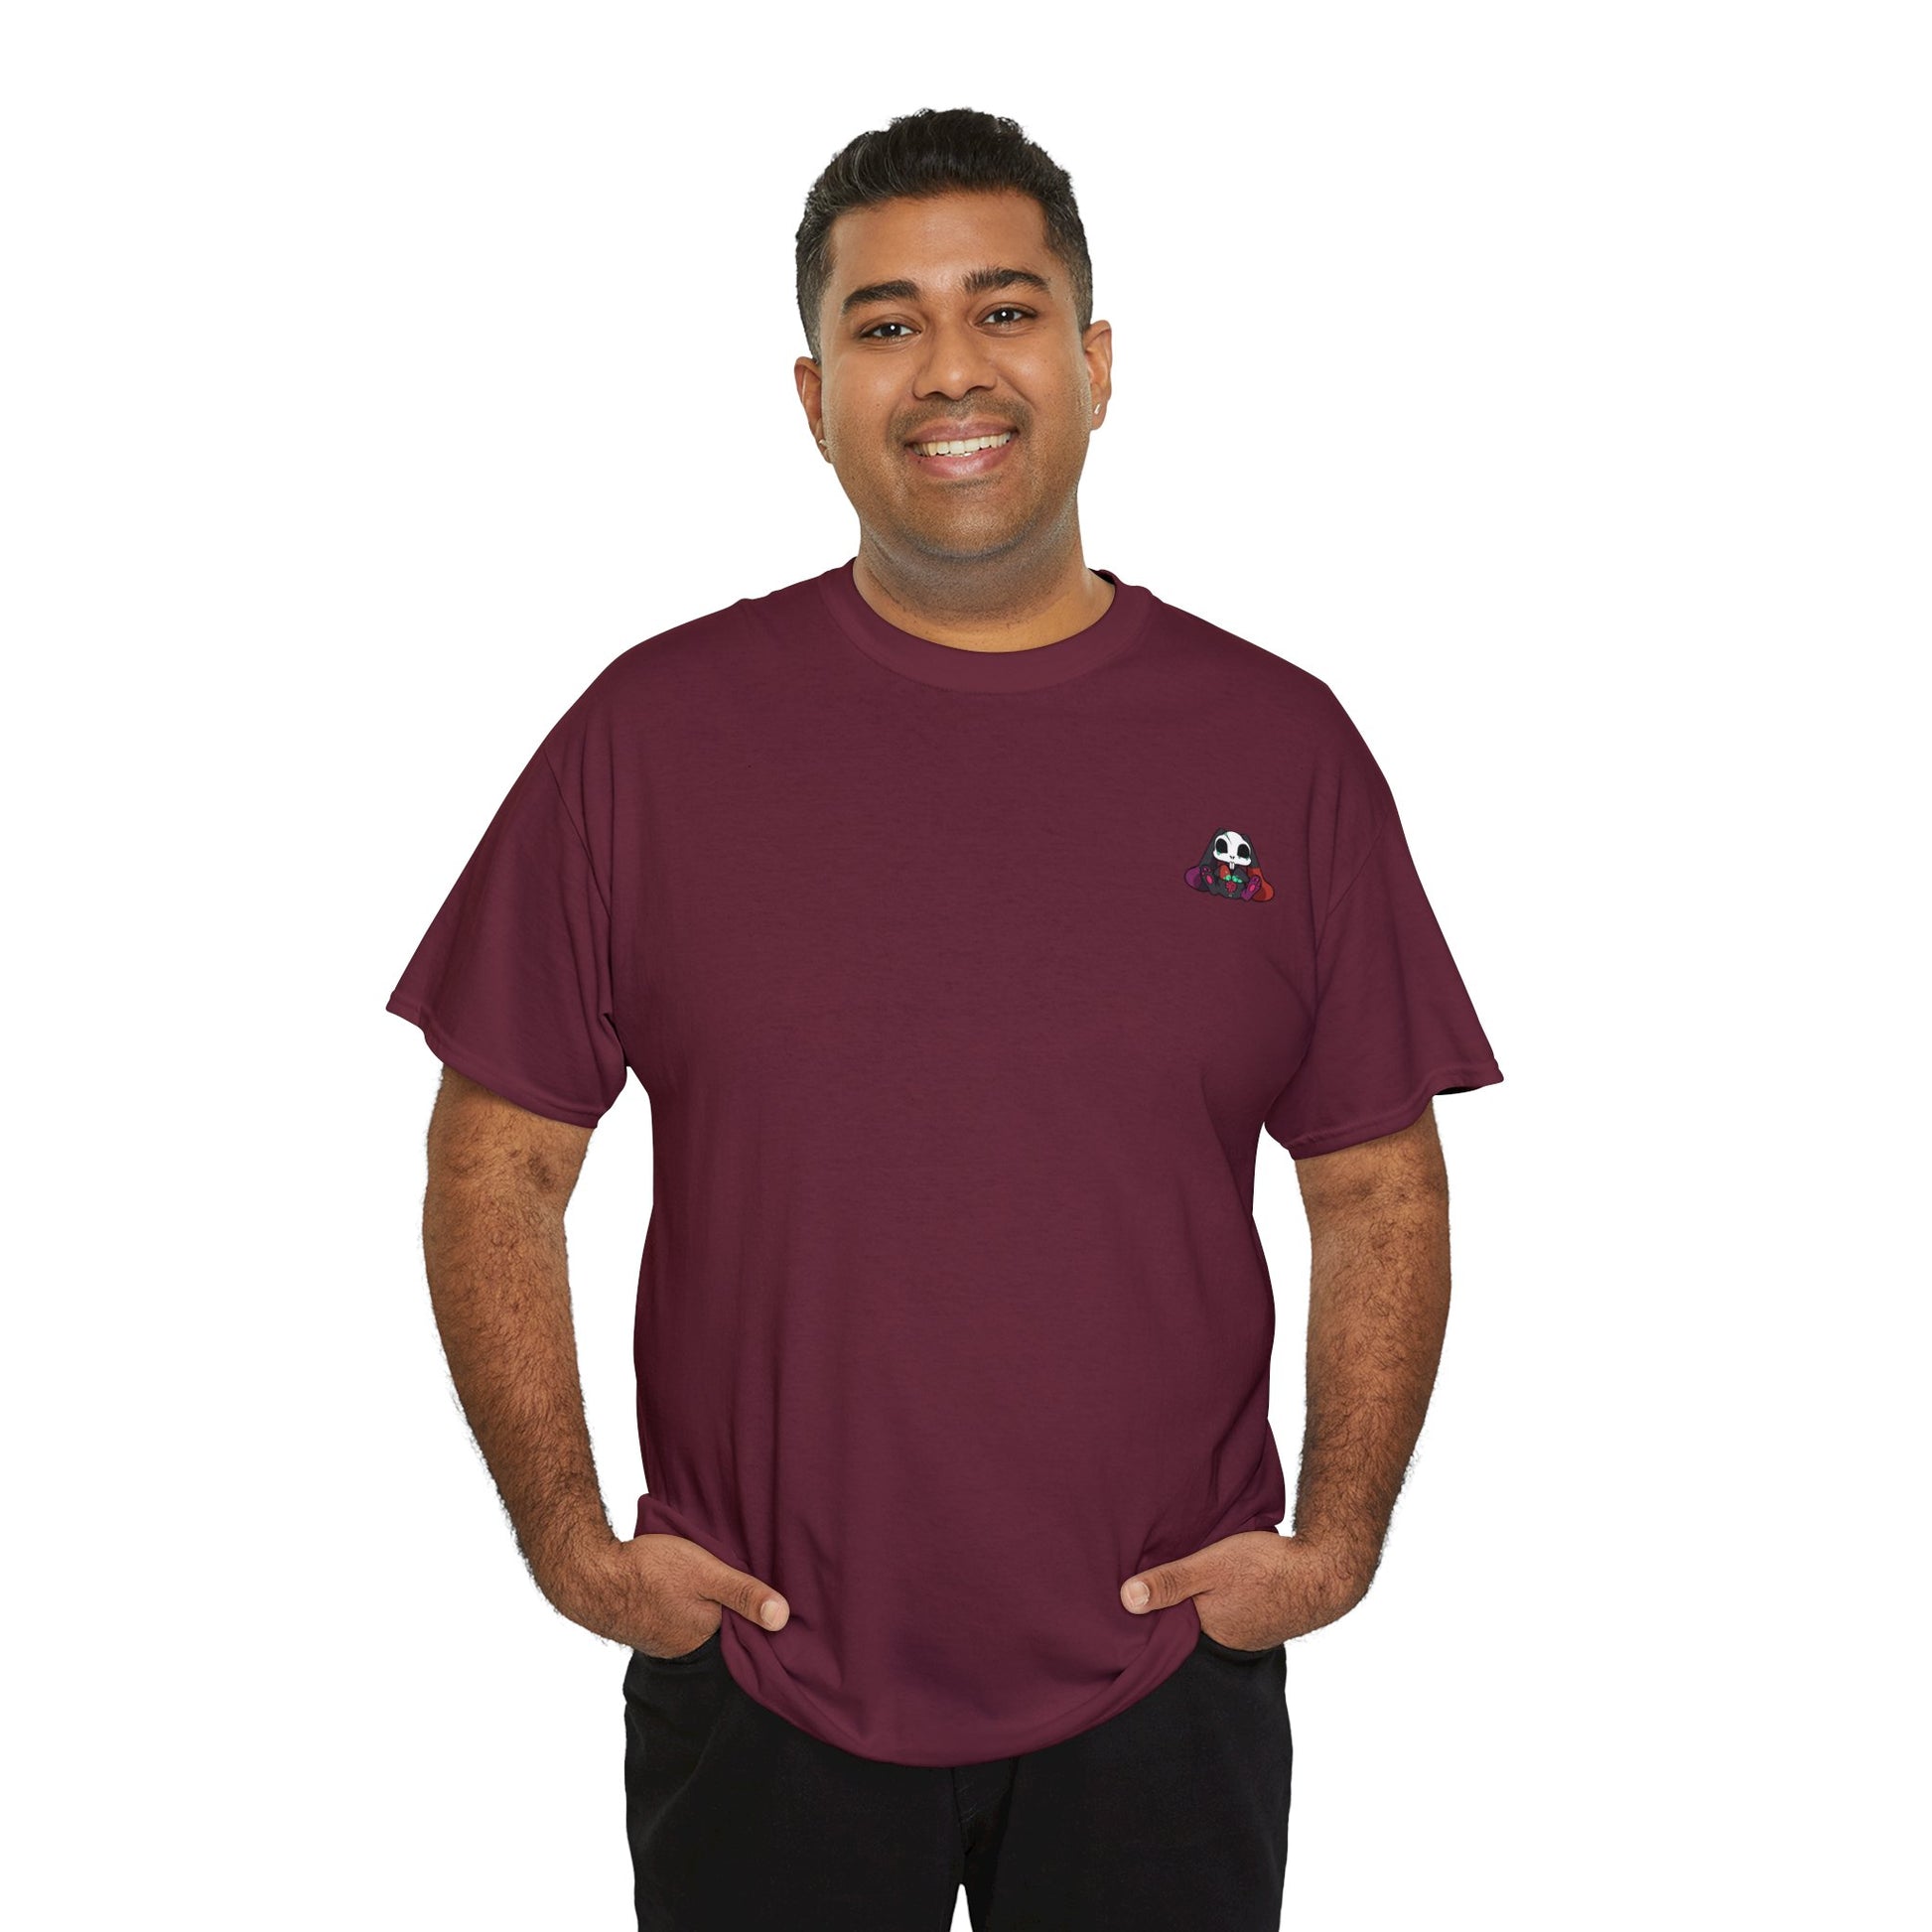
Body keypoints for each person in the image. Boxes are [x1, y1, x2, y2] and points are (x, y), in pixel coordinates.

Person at [385, 105, 1503, 1931]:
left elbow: (1376, 1179)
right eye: (887, 324)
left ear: (1096, 362)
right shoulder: (650, 737)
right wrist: (573, 1543)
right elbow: (495, 1161)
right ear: (813, 394)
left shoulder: (1277, 745)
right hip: (761, 1669)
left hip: (1165, 1668)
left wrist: (1336, 1541)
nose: (951, 369)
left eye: (1003, 308)